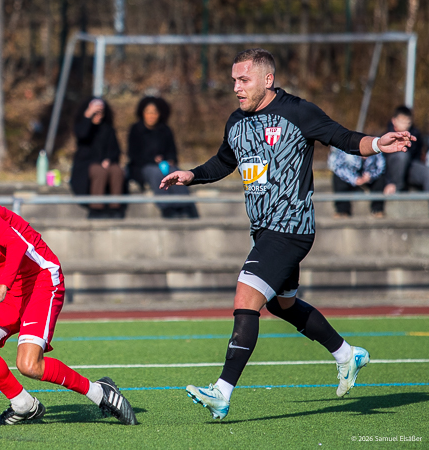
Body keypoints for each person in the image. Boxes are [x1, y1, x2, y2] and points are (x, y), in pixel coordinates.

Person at [160, 48, 415, 420]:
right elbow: (224, 162)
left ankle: (222, 391)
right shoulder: (236, 121)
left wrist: (378, 143)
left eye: (243, 80)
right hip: (263, 231)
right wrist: (191, 175)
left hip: (291, 227)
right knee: (283, 305)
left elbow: (341, 137)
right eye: (233, 80)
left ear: (267, 80)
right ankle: (347, 354)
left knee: (246, 296)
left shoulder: (298, 112)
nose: (236, 87)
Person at [0, 163, 137, 426]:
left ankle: (101, 392)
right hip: (12, 286)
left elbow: (16, 244)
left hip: (43, 279)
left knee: (30, 366)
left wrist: (1, 286)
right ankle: (23, 404)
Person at [126, 96, 198, 219]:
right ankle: (167, 208)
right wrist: (152, 160)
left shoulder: (165, 130)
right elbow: (133, 154)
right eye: (148, 112)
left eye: (154, 112)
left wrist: (169, 159)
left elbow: (172, 151)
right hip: (143, 166)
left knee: (175, 173)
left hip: (165, 164)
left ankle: (185, 205)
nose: (151, 115)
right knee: (156, 174)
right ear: (143, 113)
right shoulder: (136, 129)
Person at [70, 97, 124, 218]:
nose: (98, 116)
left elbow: (115, 150)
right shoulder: (84, 127)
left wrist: (108, 160)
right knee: (99, 171)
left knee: (117, 171)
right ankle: (96, 208)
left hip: (106, 163)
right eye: (95, 113)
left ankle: (115, 207)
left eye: (100, 113)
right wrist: (88, 115)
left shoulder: (108, 129)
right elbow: (81, 134)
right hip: (86, 164)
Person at [328, 147, 388, 218]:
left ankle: (377, 210)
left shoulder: (376, 149)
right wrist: (354, 179)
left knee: (380, 179)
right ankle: (342, 211)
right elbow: (337, 167)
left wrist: (370, 176)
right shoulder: (346, 150)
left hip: (369, 178)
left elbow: (381, 167)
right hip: (351, 177)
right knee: (338, 178)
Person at [384, 105, 428, 194]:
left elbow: (417, 157)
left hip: (410, 168)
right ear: (394, 121)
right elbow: (382, 162)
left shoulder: (416, 135)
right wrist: (389, 182)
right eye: (402, 122)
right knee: (402, 156)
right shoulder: (386, 136)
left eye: (408, 122)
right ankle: (397, 189)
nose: (405, 125)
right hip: (391, 171)